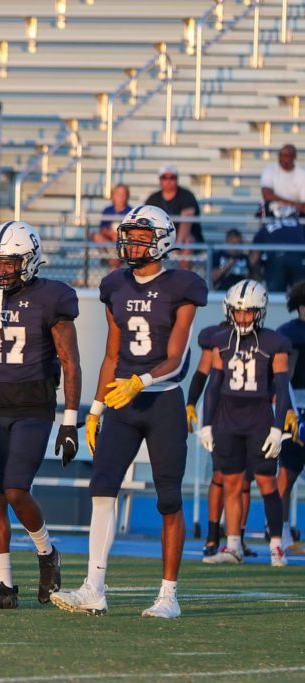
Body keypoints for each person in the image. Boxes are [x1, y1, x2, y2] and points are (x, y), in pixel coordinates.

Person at [52, 205, 208, 619]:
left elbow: (176, 359)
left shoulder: (183, 286)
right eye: (130, 235)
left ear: (162, 240)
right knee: (102, 488)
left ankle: (168, 595)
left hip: (163, 399)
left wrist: (142, 381)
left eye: (141, 236)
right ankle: (94, 588)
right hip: (121, 401)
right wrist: (96, 407)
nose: (132, 243)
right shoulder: (115, 285)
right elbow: (111, 353)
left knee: (169, 498)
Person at [0, 220, 81, 610]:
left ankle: (46, 552)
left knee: (15, 489)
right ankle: (5, 587)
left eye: (10, 263)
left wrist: (69, 418)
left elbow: (70, 362)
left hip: (35, 405)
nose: (1, 270)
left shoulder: (52, 297)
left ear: (30, 261)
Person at [198, 280, 294, 567]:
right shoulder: (221, 340)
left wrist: (278, 428)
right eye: (238, 312)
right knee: (231, 482)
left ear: (259, 312)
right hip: (227, 420)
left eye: (249, 312)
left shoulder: (273, 342)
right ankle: (233, 545)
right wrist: (206, 424)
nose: (242, 318)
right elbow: (213, 385)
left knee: (266, 483)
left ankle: (276, 545)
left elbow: (282, 387)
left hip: (259, 419)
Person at [184, 318, 256, 558]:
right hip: (220, 414)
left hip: (250, 415)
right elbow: (202, 374)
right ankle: (213, 535)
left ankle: (238, 537)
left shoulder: (261, 340)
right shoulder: (217, 338)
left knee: (245, 479)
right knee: (220, 475)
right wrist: (191, 403)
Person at [277, 280, 305, 552]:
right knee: (287, 473)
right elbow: (283, 377)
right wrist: (288, 410)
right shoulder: (290, 334)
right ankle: (280, 532)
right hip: (295, 409)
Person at [145, 164, 201, 252]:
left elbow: (186, 222)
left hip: (183, 238)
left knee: (187, 241)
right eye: (164, 177)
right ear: (160, 179)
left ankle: (183, 266)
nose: (168, 180)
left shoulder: (186, 195)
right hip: (160, 236)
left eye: (172, 177)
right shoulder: (153, 198)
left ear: (177, 179)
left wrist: (177, 245)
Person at [93, 184, 131, 272]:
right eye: (118, 194)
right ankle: (114, 259)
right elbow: (103, 229)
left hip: (123, 243)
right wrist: (111, 234)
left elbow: (132, 231)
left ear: (127, 196)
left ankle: (114, 261)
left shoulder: (130, 211)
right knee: (96, 236)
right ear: (113, 196)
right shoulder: (107, 210)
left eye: (123, 194)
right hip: (110, 243)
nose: (120, 197)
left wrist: (119, 236)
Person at [261, 144, 305, 213]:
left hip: (295, 213)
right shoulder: (270, 170)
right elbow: (267, 195)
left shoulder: (302, 174)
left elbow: (303, 205)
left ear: (294, 157)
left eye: (287, 156)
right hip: (272, 211)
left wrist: (291, 206)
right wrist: (293, 204)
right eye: (280, 155)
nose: (282, 158)